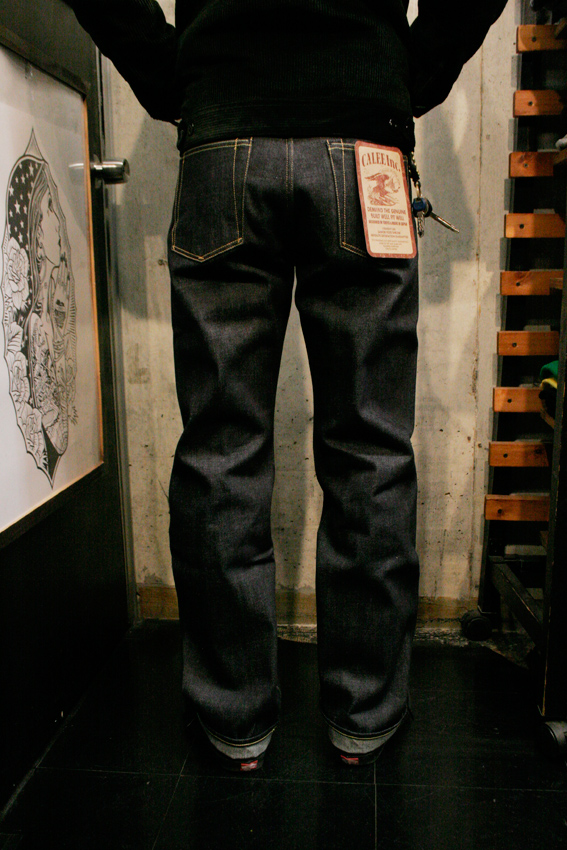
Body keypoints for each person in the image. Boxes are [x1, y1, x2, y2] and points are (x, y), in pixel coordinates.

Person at [65, 0, 508, 771]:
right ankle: (364, 713)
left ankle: (233, 717)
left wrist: (179, 80)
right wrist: (401, 75)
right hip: (363, 144)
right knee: (369, 446)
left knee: (221, 448)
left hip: (224, 141)